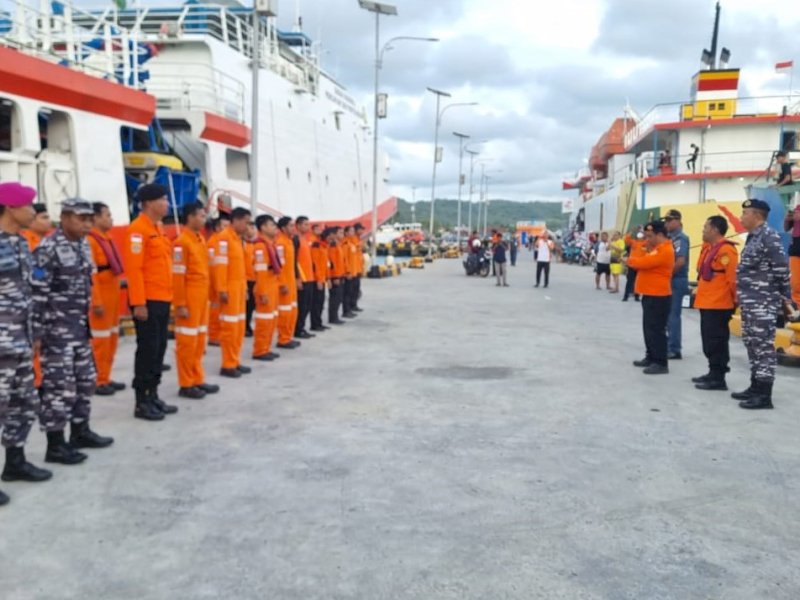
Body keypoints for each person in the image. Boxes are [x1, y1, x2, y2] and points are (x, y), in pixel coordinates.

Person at [32, 198, 115, 465]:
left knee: (85, 380)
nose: (87, 224)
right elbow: (37, 294)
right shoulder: (48, 248)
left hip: (79, 328)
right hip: (56, 332)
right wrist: (36, 334)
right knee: (59, 388)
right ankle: (55, 444)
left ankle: (80, 431)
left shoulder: (81, 245)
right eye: (81, 219)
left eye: (90, 219)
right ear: (65, 217)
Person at [0, 182, 52, 505]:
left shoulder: (20, 243)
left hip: (19, 339)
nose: (33, 211)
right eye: (28, 206)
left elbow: (27, 293)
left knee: (23, 404)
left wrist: (33, 335)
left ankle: (15, 462)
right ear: (9, 208)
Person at [731, 199, 792, 409]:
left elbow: (782, 269)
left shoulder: (769, 236)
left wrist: (785, 298)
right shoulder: (753, 237)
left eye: (745, 213)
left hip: (763, 302)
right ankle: (755, 387)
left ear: (756, 215)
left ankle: (764, 396)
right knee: (752, 344)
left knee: (763, 348)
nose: (741, 217)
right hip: (750, 302)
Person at [125, 183, 178, 421]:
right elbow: (134, 270)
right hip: (147, 300)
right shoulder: (137, 230)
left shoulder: (158, 228)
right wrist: (138, 303)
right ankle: (141, 401)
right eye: (163, 200)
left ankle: (153, 393)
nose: (167, 204)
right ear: (149, 204)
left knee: (159, 349)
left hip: (163, 298)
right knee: (147, 350)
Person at [173, 202, 220, 398]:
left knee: (200, 340)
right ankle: (186, 383)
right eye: (201, 216)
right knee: (187, 342)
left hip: (202, 298)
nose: (204, 219)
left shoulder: (200, 239)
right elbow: (177, 275)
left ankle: (197, 378)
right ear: (191, 217)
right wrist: (180, 303)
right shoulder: (181, 242)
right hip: (189, 298)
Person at [692, 216, 738, 391]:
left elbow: (732, 279)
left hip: (719, 303)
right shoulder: (710, 248)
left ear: (715, 230)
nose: (703, 230)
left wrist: (734, 300)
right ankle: (712, 372)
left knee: (717, 341)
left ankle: (719, 378)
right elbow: (700, 269)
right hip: (707, 302)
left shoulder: (727, 251)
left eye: (706, 227)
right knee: (709, 341)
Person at [626, 220, 675, 375]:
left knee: (657, 330)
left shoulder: (665, 250)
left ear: (660, 235)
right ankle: (651, 356)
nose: (647, 239)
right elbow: (642, 256)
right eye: (646, 236)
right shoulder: (655, 248)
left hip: (659, 295)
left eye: (650, 236)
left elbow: (644, 263)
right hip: (649, 293)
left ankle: (660, 362)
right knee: (648, 328)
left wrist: (629, 260)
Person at [88, 202, 125, 396]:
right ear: (95, 218)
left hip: (113, 292)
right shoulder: (91, 241)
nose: (111, 219)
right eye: (107, 215)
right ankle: (98, 380)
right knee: (100, 341)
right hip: (101, 294)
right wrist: (97, 301)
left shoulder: (107, 238)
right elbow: (91, 275)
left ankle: (106, 376)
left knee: (111, 338)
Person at [210, 207, 252, 378]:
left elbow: (240, 269)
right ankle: (227, 364)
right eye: (246, 222)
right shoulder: (224, 240)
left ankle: (235, 360)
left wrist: (245, 289)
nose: (248, 226)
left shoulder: (237, 240)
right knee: (229, 328)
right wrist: (221, 289)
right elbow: (219, 267)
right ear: (236, 221)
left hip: (239, 289)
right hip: (229, 290)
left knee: (239, 327)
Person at [252, 214, 282, 362]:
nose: (274, 228)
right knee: (264, 320)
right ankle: (259, 350)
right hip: (265, 286)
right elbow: (260, 270)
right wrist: (263, 291)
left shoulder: (270, 244)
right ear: (263, 228)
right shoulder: (260, 246)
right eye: (271, 225)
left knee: (272, 318)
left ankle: (266, 347)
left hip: (272, 284)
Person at [664, 209, 690, 359]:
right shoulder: (670, 238)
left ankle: (674, 348)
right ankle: (670, 345)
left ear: (678, 221)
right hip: (671, 278)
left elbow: (680, 262)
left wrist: (666, 275)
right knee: (668, 315)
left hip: (676, 279)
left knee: (673, 315)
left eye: (670, 220)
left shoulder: (680, 238)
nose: (667, 223)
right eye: (666, 220)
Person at [276, 217, 301, 349]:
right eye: (291, 226)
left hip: (291, 281)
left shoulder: (289, 242)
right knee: (285, 312)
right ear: (283, 228)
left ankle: (288, 337)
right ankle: (283, 339)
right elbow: (279, 266)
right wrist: (282, 283)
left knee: (292, 310)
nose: (293, 228)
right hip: (285, 283)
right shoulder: (280, 243)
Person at [206, 213, 230, 347]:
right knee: (215, 310)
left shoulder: (224, 242)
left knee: (220, 311)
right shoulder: (212, 243)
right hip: (214, 283)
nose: (227, 229)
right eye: (224, 226)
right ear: (217, 228)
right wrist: (218, 285)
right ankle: (214, 336)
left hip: (222, 282)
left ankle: (219, 334)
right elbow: (213, 266)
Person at [293, 216, 315, 339]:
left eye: (308, 224)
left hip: (309, 277)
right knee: (301, 306)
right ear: (298, 225)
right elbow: (294, 261)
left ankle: (301, 328)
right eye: (305, 224)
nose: (308, 227)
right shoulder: (296, 240)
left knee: (307, 305)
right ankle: (298, 329)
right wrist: (297, 278)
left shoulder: (304, 239)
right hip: (303, 278)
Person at [309, 223, 329, 332]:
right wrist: (318, 279)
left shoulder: (322, 245)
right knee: (316, 303)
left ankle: (319, 322)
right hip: (318, 279)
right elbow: (315, 263)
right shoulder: (316, 244)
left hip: (322, 278)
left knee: (320, 302)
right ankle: (315, 324)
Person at [327, 227, 346, 325]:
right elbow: (332, 262)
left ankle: (335, 316)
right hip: (336, 276)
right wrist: (335, 277)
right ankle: (333, 317)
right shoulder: (333, 245)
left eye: (343, 232)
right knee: (335, 297)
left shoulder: (339, 244)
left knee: (339, 297)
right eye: (340, 232)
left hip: (341, 274)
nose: (342, 234)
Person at [243, 221, 258, 338]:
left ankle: (247, 325)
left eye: (253, 228)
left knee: (252, 305)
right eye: (248, 228)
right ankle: (245, 326)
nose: (250, 230)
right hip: (245, 279)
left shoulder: (257, 245)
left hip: (255, 279)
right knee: (246, 305)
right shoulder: (242, 244)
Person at [784, 202, 800, 306]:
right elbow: (786, 228)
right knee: (795, 284)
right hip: (795, 247)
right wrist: (787, 219)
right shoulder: (797, 208)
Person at [623, 227, 644, 302]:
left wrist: (643, 231)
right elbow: (626, 239)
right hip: (632, 265)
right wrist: (631, 232)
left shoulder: (645, 243)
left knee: (638, 282)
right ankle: (626, 296)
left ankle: (637, 296)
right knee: (629, 281)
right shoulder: (633, 242)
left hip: (640, 265)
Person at [351, 223, 366, 311]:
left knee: (356, 289)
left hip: (357, 268)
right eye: (360, 229)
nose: (362, 231)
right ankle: (350, 307)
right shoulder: (353, 240)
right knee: (352, 290)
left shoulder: (358, 239)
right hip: (353, 269)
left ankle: (354, 305)